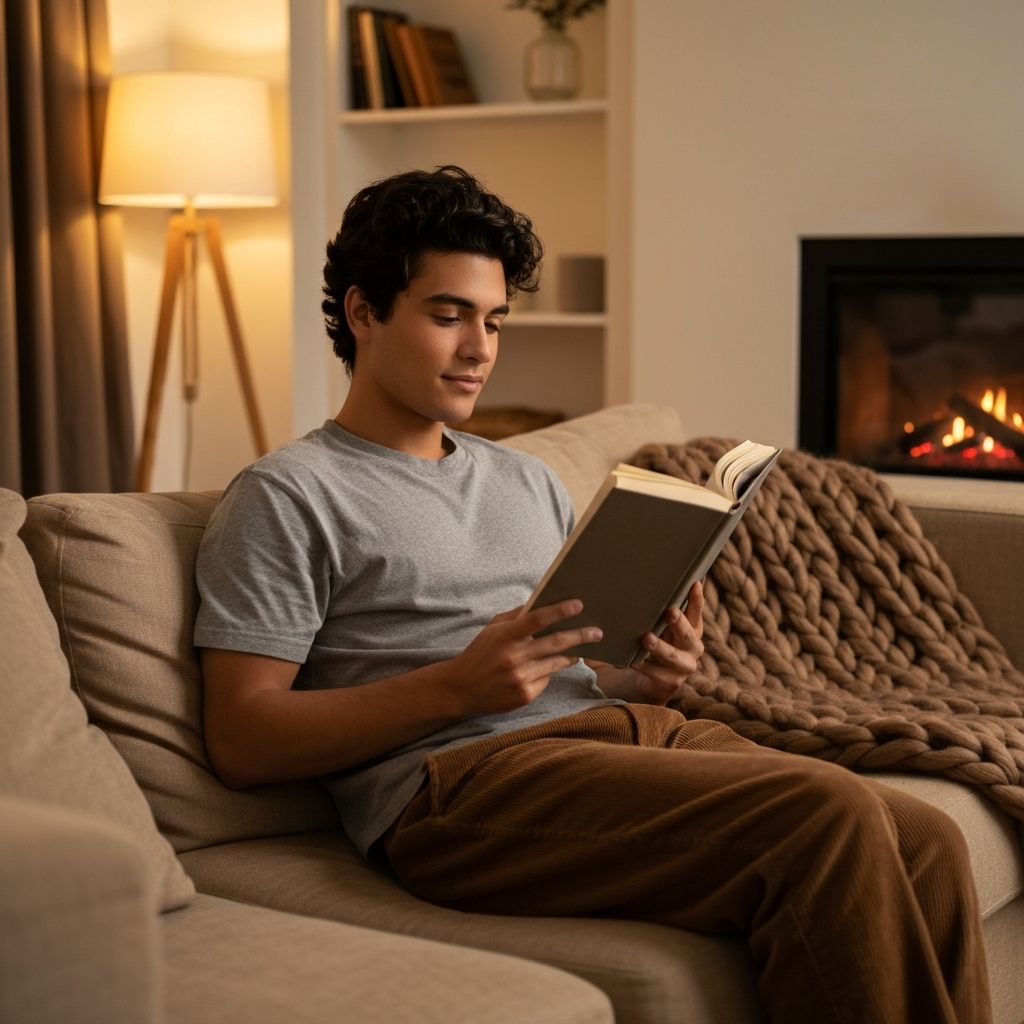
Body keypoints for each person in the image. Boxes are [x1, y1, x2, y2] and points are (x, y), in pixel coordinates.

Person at [195, 165, 991, 1024]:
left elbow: (563, 669)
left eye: (494, 320)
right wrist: (454, 688)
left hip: (624, 734)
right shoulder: (288, 494)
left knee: (927, 839)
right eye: (448, 314)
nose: (480, 349)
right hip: (461, 787)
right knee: (826, 816)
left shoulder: (522, 479)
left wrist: (639, 680)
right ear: (363, 312)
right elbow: (243, 737)